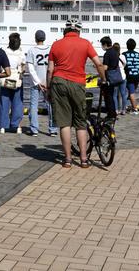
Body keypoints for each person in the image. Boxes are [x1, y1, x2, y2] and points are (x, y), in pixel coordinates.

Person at [47, 19, 105, 168]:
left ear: (65, 30)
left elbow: (50, 70)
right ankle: (84, 159)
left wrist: (48, 88)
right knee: (80, 123)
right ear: (78, 31)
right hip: (78, 83)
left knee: (64, 123)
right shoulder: (85, 43)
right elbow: (98, 63)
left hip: (58, 82)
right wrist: (104, 78)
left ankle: (67, 160)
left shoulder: (56, 44)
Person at [25, 30, 56, 136]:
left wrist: (37, 82)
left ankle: (34, 129)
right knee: (51, 105)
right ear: (44, 38)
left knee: (33, 105)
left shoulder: (31, 50)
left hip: (35, 82)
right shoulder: (50, 49)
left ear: (35, 38)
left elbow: (30, 68)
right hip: (48, 81)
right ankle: (53, 129)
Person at [0, 32, 26, 133]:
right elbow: (23, 67)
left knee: (4, 102)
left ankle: (2, 126)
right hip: (17, 79)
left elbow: (0, 65)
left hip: (5, 78)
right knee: (17, 103)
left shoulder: (4, 51)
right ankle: (16, 125)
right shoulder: (21, 53)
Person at [99, 37, 122, 120]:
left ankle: (111, 114)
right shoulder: (115, 52)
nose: (102, 46)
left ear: (105, 44)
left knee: (108, 97)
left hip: (109, 78)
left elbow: (105, 67)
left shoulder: (107, 53)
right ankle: (113, 114)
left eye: (102, 44)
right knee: (112, 96)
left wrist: (98, 68)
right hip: (115, 77)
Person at [122, 38, 139, 115]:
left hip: (129, 76)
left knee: (130, 93)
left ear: (127, 46)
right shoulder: (138, 55)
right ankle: (131, 106)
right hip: (137, 76)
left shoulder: (124, 54)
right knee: (132, 92)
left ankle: (134, 109)